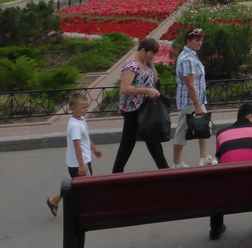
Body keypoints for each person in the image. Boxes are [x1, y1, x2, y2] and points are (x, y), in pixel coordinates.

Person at [208, 103, 252, 240]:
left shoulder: (221, 133)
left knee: (217, 185)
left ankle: (216, 228)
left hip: (227, 186)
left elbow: (221, 161)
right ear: (249, 117)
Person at [111, 37, 170, 173]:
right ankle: (117, 172)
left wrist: (152, 64)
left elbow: (154, 79)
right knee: (129, 141)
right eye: (151, 53)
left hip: (144, 108)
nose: (153, 56)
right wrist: (146, 91)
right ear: (143, 50)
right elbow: (124, 88)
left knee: (152, 138)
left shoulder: (145, 63)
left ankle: (164, 169)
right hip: (132, 109)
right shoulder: (131, 65)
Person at [46, 92, 101, 216]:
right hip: (80, 162)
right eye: (83, 107)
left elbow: (85, 138)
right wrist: (81, 165)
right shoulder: (75, 125)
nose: (86, 110)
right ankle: (85, 211)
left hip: (77, 161)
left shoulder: (81, 120)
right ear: (72, 108)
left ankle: (54, 201)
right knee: (86, 186)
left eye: (87, 107)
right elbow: (77, 145)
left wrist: (94, 148)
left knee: (75, 185)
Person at [173, 27, 213, 167]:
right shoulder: (187, 59)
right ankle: (177, 162)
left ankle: (203, 156)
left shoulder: (191, 55)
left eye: (201, 40)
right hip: (191, 101)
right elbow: (190, 85)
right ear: (188, 40)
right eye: (196, 40)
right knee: (182, 130)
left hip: (196, 100)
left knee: (204, 126)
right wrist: (197, 105)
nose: (199, 43)